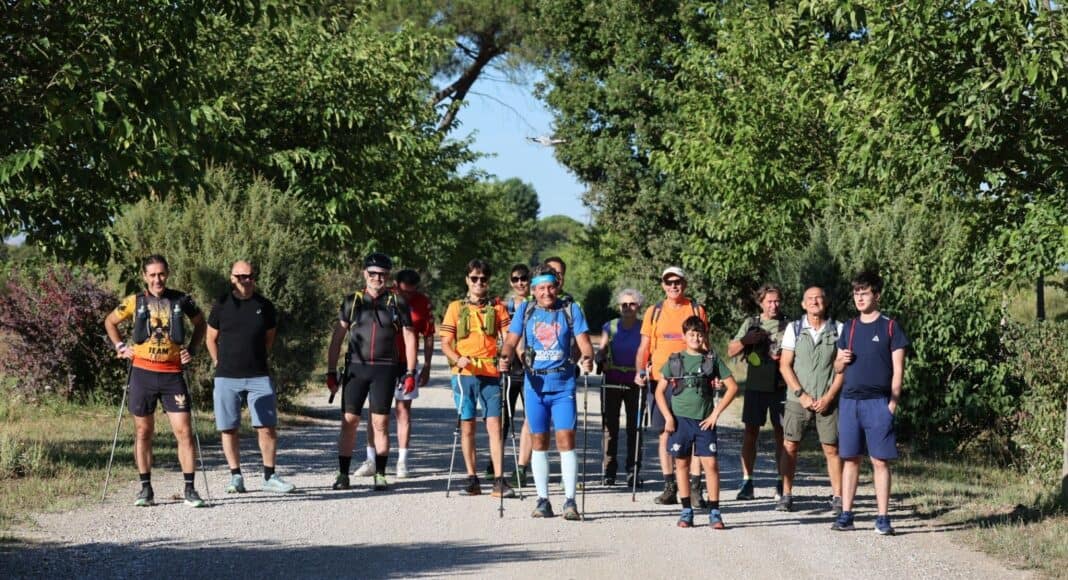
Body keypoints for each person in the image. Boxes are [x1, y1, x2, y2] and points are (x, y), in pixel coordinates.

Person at [103, 254, 208, 508]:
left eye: (161, 274)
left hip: (172, 374)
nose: (157, 279)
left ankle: (190, 489)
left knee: (184, 431)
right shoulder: (135, 301)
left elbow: (200, 323)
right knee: (143, 431)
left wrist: (192, 350)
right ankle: (145, 489)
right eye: (152, 275)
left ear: (167, 273)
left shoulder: (181, 299)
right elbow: (110, 321)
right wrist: (120, 346)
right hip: (142, 373)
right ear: (144, 276)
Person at [499, 264, 595, 520]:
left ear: (558, 285)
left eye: (551, 286)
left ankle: (570, 501)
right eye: (541, 288)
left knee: (566, 440)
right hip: (535, 386)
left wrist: (587, 356)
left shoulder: (570, 309)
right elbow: (510, 340)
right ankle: (543, 500)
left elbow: (585, 342)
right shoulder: (525, 310)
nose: (546, 292)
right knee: (539, 442)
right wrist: (505, 357)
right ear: (533, 290)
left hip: (563, 385)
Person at [326, 253, 417, 492]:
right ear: (365, 274)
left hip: (385, 369)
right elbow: (337, 339)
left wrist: (410, 371)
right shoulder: (352, 301)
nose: (378, 278)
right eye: (373, 273)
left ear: (388, 277)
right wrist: (330, 371)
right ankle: (343, 474)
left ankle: (380, 473)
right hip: (356, 367)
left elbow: (409, 336)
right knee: (349, 421)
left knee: (380, 423)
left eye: (383, 275)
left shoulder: (397, 303)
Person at [204, 261, 296, 495]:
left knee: (267, 427)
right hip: (227, 377)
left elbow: (269, 337)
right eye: (240, 276)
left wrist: (258, 358)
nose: (246, 280)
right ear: (232, 277)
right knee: (229, 428)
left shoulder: (264, 306)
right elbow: (210, 338)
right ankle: (236, 476)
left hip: (258, 375)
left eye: (250, 276)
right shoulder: (222, 305)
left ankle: (270, 476)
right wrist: (217, 362)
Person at [831, 271, 908, 535]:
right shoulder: (849, 327)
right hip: (850, 402)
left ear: (877, 294)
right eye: (856, 293)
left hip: (879, 402)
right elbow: (837, 366)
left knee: (880, 461)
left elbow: (899, 370)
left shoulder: (890, 327)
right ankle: (846, 514)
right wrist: (841, 360)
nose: (859, 298)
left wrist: (892, 405)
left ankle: (883, 518)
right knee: (851, 459)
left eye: (864, 293)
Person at [440, 259, 515, 498]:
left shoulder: (499, 307)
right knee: (467, 426)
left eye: (483, 279)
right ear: (467, 280)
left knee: (494, 426)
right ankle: (472, 478)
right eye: (474, 278)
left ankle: (498, 479)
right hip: (464, 376)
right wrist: (456, 358)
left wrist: (506, 357)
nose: (479, 282)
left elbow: (508, 338)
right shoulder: (455, 308)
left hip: (491, 375)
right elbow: (445, 343)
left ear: (488, 281)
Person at [634, 266, 708, 505]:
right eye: (669, 282)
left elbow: (705, 344)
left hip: (692, 379)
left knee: (695, 433)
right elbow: (645, 346)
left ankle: (695, 488)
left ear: (684, 284)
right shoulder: (654, 312)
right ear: (663, 285)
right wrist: (639, 370)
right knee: (666, 431)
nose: (673, 286)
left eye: (677, 282)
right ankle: (670, 487)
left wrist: (712, 370)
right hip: (661, 380)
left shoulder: (696, 309)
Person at [656, 316, 739, 529]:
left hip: (705, 421)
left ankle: (714, 511)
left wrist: (715, 414)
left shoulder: (712, 359)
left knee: (710, 464)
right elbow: (659, 391)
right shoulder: (675, 360)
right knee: (681, 463)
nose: (695, 337)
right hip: (679, 421)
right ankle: (686, 510)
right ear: (684, 336)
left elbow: (733, 387)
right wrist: (667, 417)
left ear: (704, 336)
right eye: (691, 334)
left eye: (699, 334)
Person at [352, 269, 434, 479]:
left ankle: (402, 461)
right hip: (383, 362)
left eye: (411, 293)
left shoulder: (422, 302)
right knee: (376, 412)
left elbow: (428, 335)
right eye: (403, 292)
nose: (406, 297)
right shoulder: (385, 298)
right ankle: (372, 458)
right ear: (395, 285)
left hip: (407, 364)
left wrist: (426, 366)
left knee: (403, 411)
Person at [777, 285, 843, 513]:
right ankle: (786, 495)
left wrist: (829, 396)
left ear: (826, 302)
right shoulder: (793, 329)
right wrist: (800, 395)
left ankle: (838, 497)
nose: (815, 301)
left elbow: (843, 369)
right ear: (803, 304)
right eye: (810, 299)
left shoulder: (839, 329)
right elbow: (784, 365)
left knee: (832, 448)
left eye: (819, 297)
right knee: (790, 446)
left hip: (828, 400)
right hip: (797, 400)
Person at [726, 283, 788, 501]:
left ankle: (782, 483)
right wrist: (746, 340)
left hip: (781, 387)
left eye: (777, 300)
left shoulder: (789, 325)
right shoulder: (751, 323)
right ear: (761, 302)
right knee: (750, 434)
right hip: (755, 387)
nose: (774, 305)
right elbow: (731, 350)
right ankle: (747, 481)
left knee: (783, 435)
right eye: (769, 301)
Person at [595, 288, 645, 487]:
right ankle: (609, 470)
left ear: (638, 306)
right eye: (623, 304)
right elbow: (602, 349)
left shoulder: (644, 328)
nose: (627, 308)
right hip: (612, 380)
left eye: (631, 304)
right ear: (618, 306)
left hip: (636, 382)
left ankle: (633, 470)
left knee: (635, 428)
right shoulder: (610, 326)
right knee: (610, 427)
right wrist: (600, 359)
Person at [503, 263, 534, 487]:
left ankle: (521, 467)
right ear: (510, 282)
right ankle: (496, 463)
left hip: (531, 368)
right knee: (503, 418)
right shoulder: (504, 306)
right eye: (516, 279)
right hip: (510, 368)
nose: (520, 283)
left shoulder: (538, 305)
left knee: (530, 419)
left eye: (524, 278)